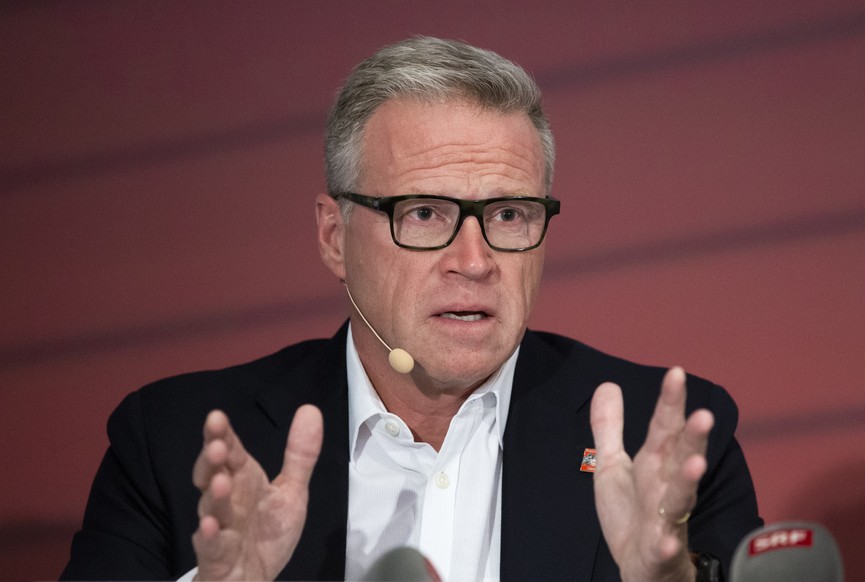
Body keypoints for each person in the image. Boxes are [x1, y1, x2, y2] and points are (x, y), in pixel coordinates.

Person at [61, 36, 761, 581]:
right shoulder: (173, 440)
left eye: (509, 214)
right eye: (424, 213)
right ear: (334, 236)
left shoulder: (666, 443)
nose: (475, 259)